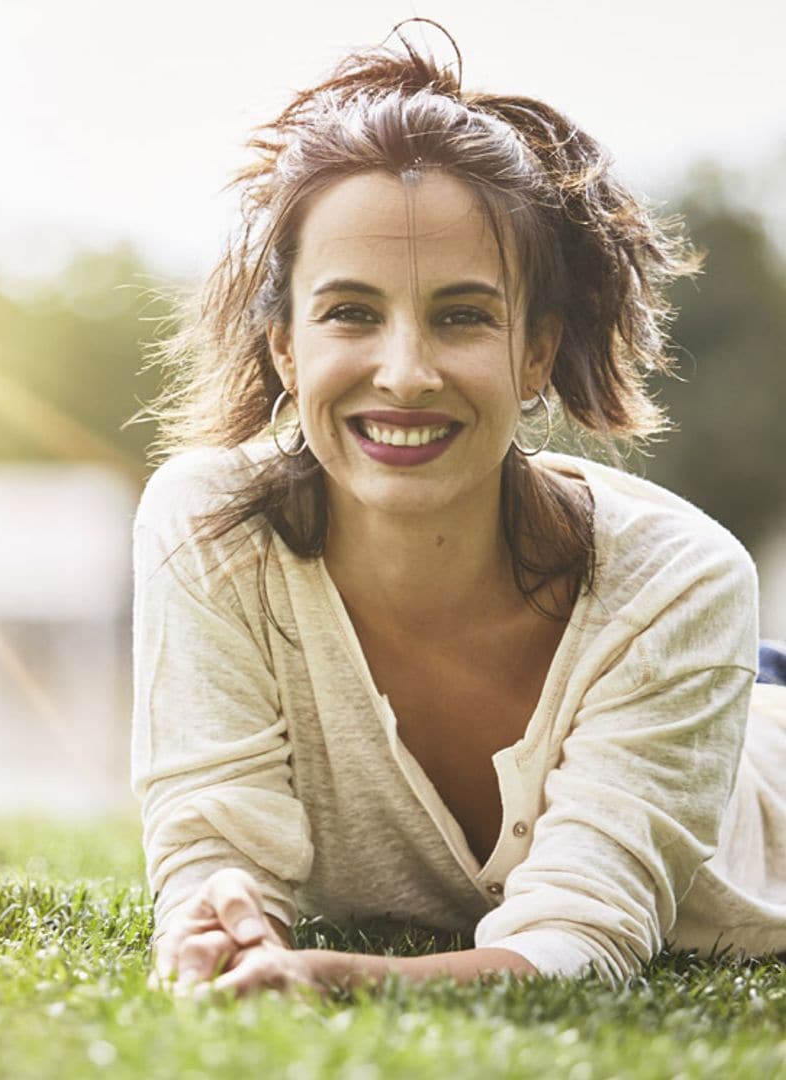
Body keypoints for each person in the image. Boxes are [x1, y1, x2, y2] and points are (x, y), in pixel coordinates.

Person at [130, 20, 786, 996]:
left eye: (462, 316)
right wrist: (214, 916)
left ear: (534, 354)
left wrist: (336, 981)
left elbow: (584, 942)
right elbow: (214, 838)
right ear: (284, 348)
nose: (405, 372)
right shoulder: (210, 528)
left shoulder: (681, 581)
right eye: (351, 312)